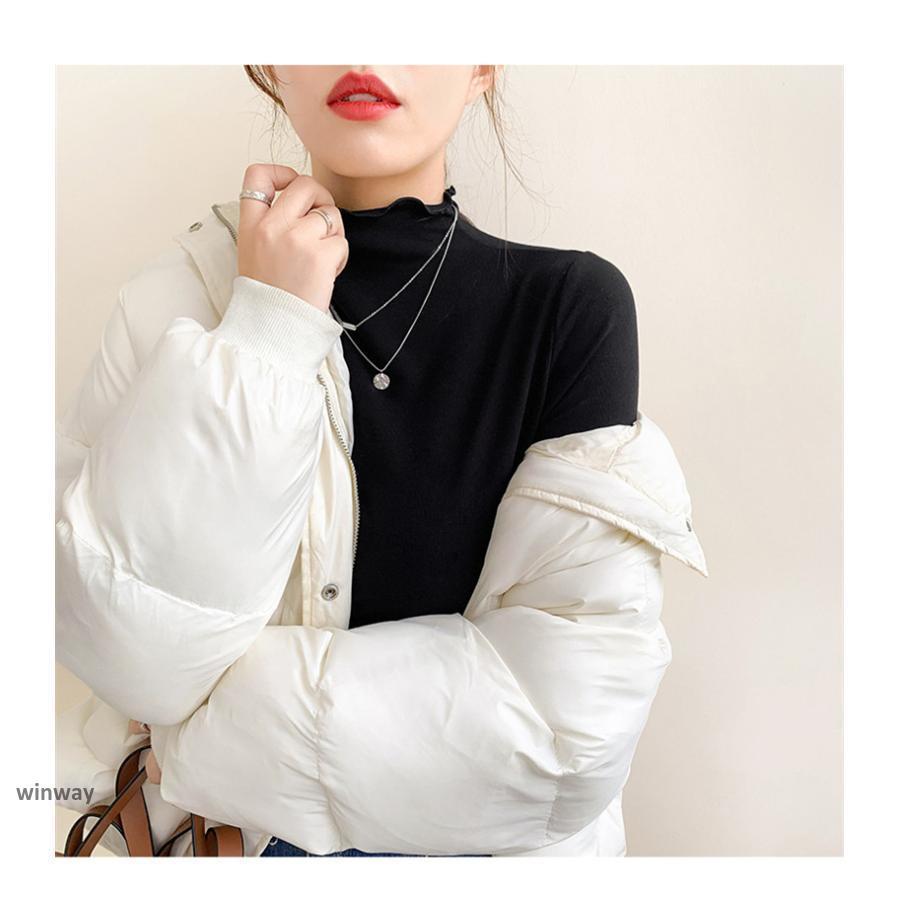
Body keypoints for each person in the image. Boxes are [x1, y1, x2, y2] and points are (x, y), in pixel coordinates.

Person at [55, 65, 708, 858]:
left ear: (481, 64)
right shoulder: (178, 296)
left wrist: (200, 742)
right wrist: (266, 332)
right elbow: (135, 659)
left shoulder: (567, 308)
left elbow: (562, 740)